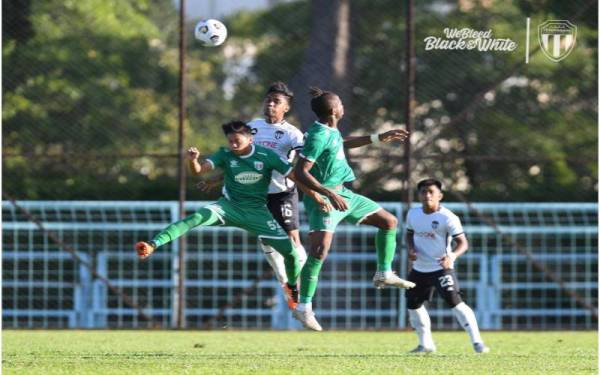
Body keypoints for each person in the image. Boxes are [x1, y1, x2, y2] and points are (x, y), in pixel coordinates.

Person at [135, 121, 304, 309]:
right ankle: (152, 244)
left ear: (250, 139)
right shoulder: (224, 154)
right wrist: (193, 161)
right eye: (230, 141)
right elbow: (199, 171)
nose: (232, 145)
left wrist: (319, 193)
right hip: (228, 207)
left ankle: (292, 288)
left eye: (236, 141)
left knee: (291, 253)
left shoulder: (267, 156)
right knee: (196, 218)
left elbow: (295, 176)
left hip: (257, 213)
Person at [291, 87, 415, 331]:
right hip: (326, 198)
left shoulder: (331, 130)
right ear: (334, 110)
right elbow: (300, 172)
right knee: (318, 252)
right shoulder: (317, 135)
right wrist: (326, 193)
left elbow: (341, 142)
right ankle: (303, 307)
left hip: (345, 193)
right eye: (340, 102)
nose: (343, 105)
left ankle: (384, 272)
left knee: (388, 222)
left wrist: (379, 137)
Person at [405, 178, 490, 353]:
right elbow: (409, 234)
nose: (427, 195)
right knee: (413, 304)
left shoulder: (448, 217)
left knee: (455, 301)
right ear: (419, 195)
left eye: (431, 192)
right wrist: (411, 249)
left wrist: (451, 255)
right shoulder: (413, 214)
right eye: (423, 192)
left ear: (440, 196)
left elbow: (463, 243)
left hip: (440, 268)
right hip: (419, 269)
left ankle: (477, 342)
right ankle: (426, 344)